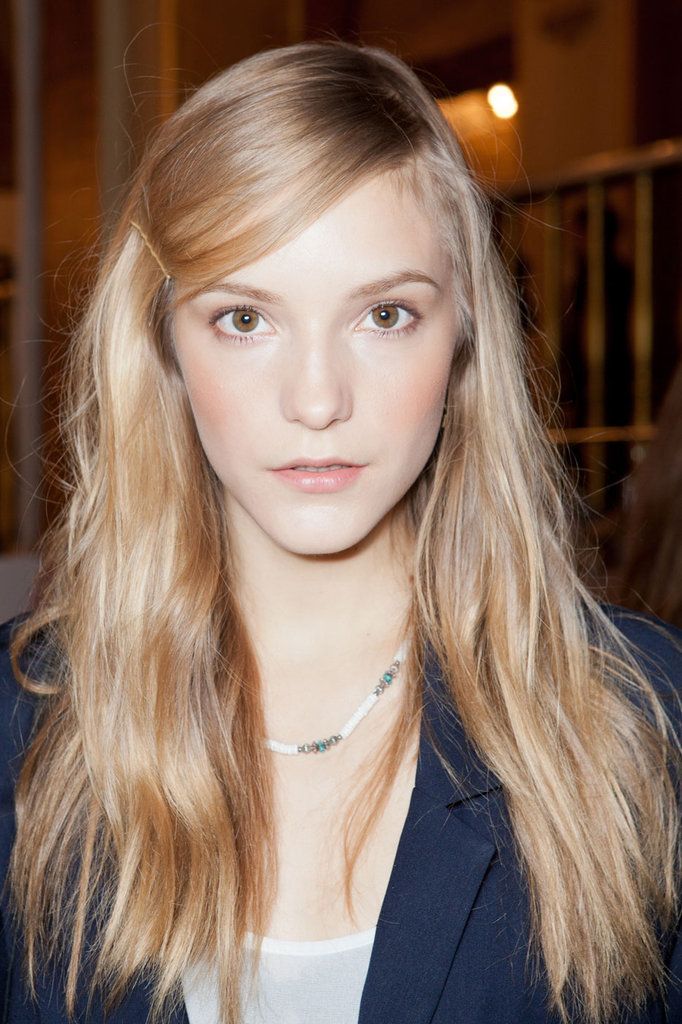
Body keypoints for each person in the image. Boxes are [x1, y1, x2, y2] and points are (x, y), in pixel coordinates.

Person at [0, 40, 680, 1024]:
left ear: (463, 336)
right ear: (163, 347)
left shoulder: (640, 720)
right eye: (245, 319)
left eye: (385, 315)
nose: (316, 400)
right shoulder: (24, 731)